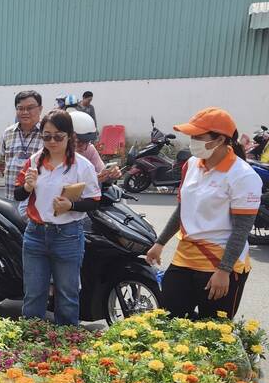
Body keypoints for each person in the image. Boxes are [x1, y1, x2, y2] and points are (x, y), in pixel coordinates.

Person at [146, 107, 261, 320]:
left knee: (213, 333)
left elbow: (241, 229)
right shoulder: (191, 165)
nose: (192, 141)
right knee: (170, 322)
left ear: (219, 140)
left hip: (220, 264)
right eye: (191, 136)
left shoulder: (243, 176)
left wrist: (224, 270)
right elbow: (183, 209)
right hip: (184, 257)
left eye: (198, 136)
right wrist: (160, 243)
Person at [14, 109, 101, 326]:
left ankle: (66, 346)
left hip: (68, 235)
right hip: (35, 234)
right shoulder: (34, 161)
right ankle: (32, 342)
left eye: (58, 136)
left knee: (67, 296)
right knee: (34, 294)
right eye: (46, 136)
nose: (52, 141)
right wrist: (27, 186)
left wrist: (71, 205)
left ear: (70, 136)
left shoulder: (82, 166)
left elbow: (94, 200)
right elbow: (18, 194)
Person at [0, 90, 44, 200]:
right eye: (20, 108)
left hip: (36, 202)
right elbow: (2, 158)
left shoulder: (48, 134)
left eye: (30, 108)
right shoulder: (8, 133)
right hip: (10, 198)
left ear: (40, 109)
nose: (25, 112)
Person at [69, 110, 121, 183]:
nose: (84, 147)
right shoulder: (57, 154)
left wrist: (111, 175)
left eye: (87, 142)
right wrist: (92, 179)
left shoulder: (90, 149)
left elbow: (101, 170)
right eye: (79, 143)